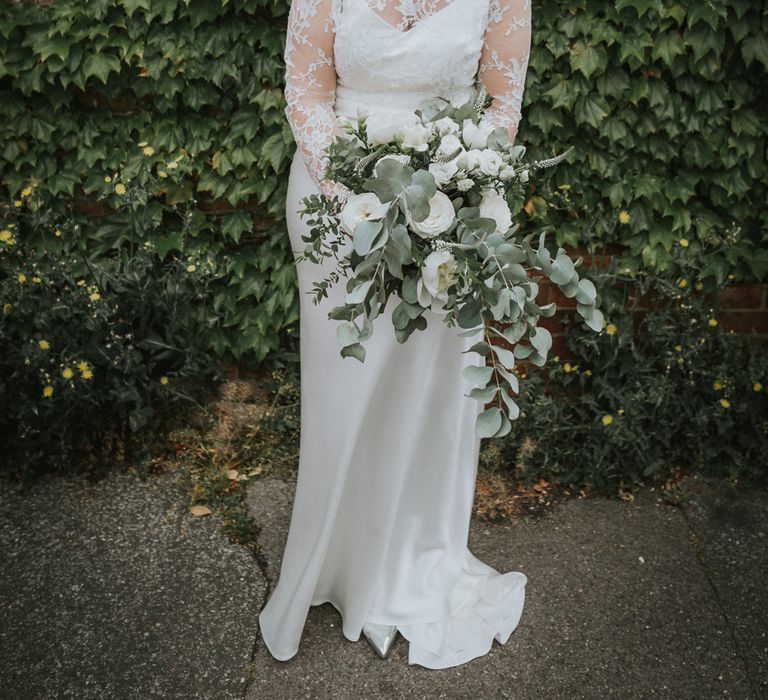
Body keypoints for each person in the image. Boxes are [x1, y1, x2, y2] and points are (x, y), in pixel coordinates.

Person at [258, 0, 532, 670]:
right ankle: (337, 561)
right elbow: (307, 95)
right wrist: (364, 202)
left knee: (431, 386)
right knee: (345, 386)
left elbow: (501, 107)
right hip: (336, 206)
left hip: (454, 202)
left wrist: (452, 188)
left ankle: (416, 554)